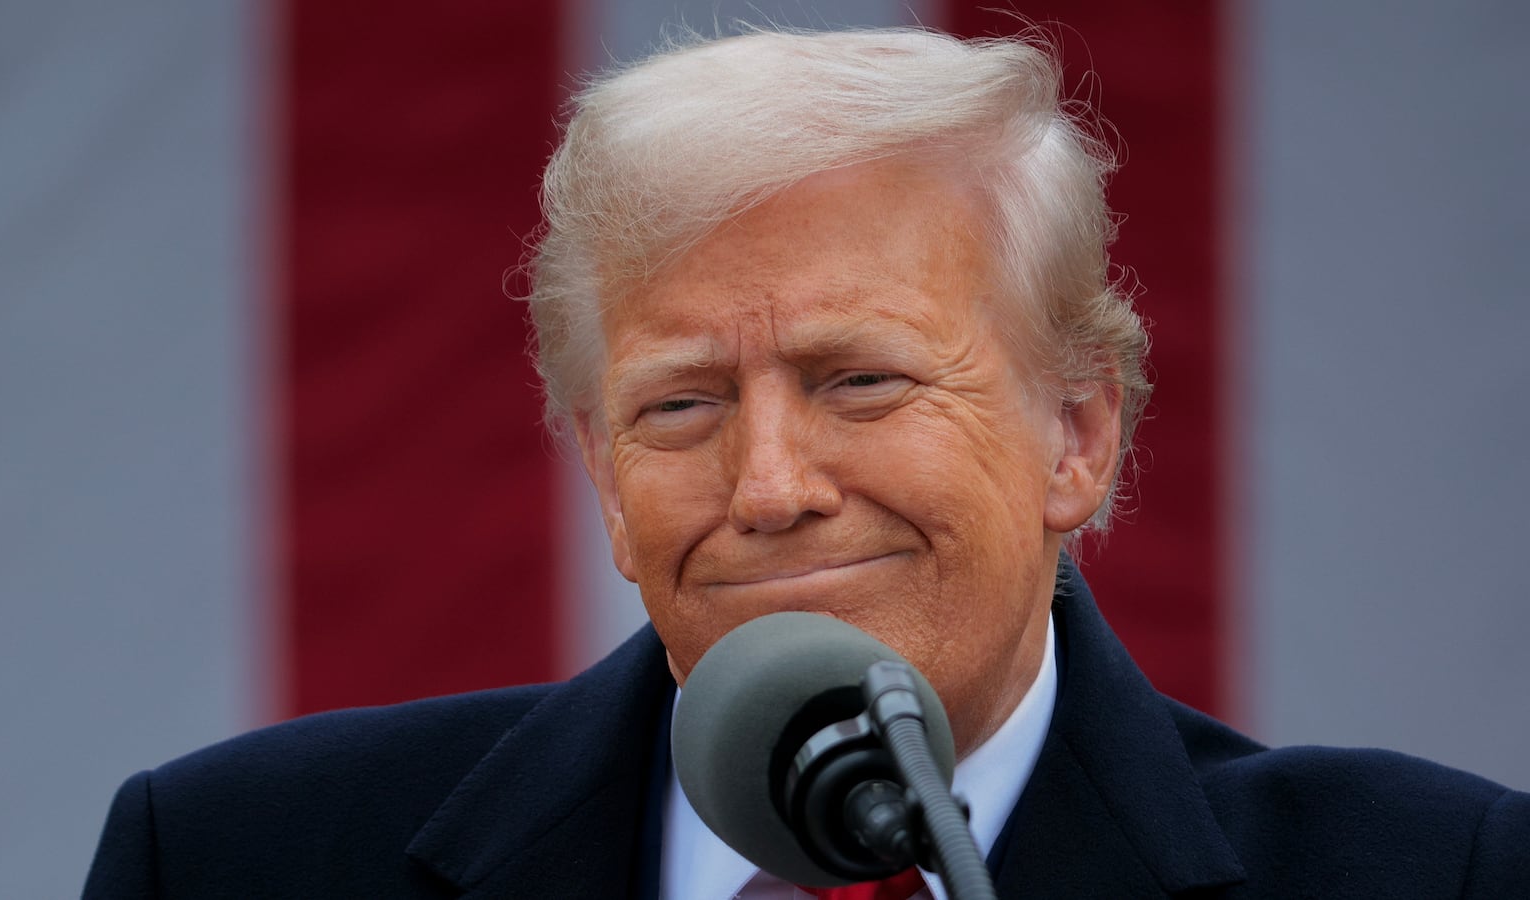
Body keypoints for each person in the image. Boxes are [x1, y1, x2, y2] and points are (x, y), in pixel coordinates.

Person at [83, 26, 1529, 898]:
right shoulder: (236, 861)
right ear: (600, 476)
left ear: (1077, 434)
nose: (770, 487)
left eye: (861, 381)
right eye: (682, 409)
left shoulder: (1432, 874)